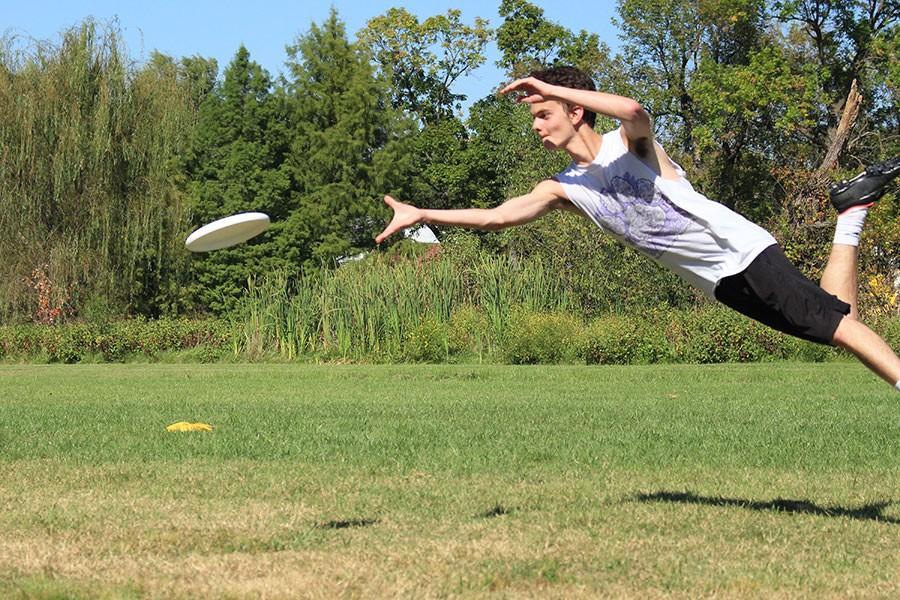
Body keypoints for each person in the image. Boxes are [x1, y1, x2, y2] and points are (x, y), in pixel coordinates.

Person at [375, 66, 900, 391]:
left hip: (737, 250)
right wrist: (424, 214)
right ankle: (850, 215)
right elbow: (496, 216)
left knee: (836, 328)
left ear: (574, 110)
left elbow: (633, 109)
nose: (536, 126)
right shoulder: (563, 187)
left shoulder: (627, 146)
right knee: (835, 323)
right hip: (718, 282)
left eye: (542, 115)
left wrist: (544, 85)